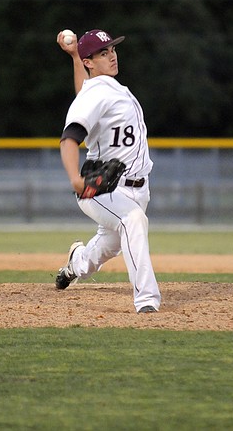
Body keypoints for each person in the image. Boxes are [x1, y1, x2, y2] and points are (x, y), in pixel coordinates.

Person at [54, 29, 161, 314]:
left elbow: (84, 94)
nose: (112, 55)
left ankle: (76, 263)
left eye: (112, 49)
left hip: (138, 188)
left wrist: (76, 57)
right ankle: (147, 300)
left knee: (109, 246)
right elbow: (69, 138)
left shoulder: (103, 90)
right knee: (133, 221)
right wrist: (75, 179)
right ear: (91, 62)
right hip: (104, 187)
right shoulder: (99, 92)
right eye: (104, 53)